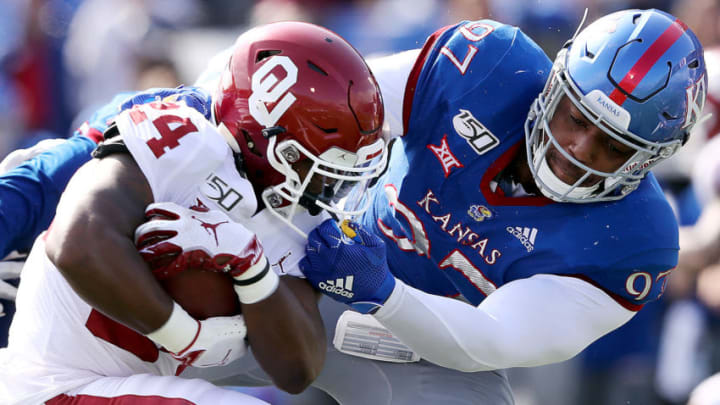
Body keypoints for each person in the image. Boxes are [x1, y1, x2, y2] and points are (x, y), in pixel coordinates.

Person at [292, 7, 708, 404]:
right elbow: (338, 99)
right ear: (553, 88)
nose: (578, 149)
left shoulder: (635, 240)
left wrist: (379, 289)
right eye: (577, 119)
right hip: (323, 260)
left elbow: (489, 339)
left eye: (613, 146)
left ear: (649, 160)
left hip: (439, 356)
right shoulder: (492, 64)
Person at [0, 21, 386, 404]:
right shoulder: (182, 136)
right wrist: (185, 336)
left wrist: (253, 269)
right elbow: (77, 242)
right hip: (52, 378)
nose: (332, 188)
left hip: (116, 381)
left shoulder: (297, 214)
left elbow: (297, 369)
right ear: (267, 134)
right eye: (322, 164)